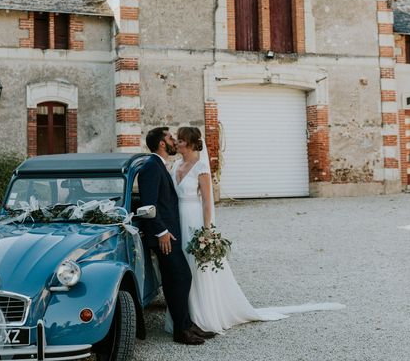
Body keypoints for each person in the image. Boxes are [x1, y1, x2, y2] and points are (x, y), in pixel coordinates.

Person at [167, 126, 345, 334]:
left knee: (198, 267)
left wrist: (207, 231)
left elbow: (207, 202)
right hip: (178, 220)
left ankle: (203, 316)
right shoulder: (176, 165)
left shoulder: (201, 168)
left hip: (194, 220)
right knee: (182, 269)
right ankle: (184, 316)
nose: (176, 143)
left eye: (179, 140)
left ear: (188, 143)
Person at [137, 127, 216, 345]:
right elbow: (148, 205)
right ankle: (181, 330)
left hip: (171, 233)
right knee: (181, 277)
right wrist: (161, 232)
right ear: (162, 144)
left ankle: (186, 325)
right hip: (164, 236)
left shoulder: (160, 166)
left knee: (175, 280)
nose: (174, 141)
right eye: (171, 138)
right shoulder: (151, 167)